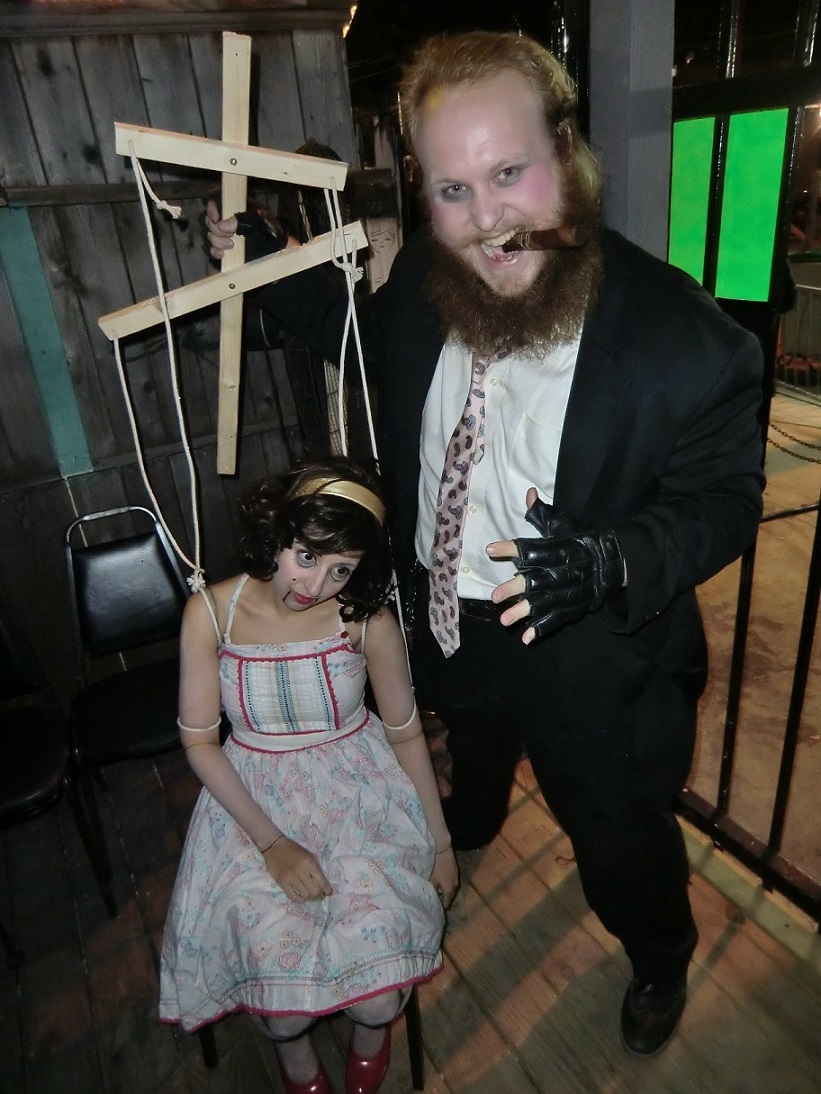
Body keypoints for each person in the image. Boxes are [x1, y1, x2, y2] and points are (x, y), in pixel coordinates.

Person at [205, 31, 765, 1056]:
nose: (486, 221)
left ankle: (657, 949)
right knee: (467, 748)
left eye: (510, 173)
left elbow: (723, 500)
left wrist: (612, 559)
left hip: (586, 647)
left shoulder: (684, 340)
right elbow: (360, 335)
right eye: (452, 190)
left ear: (567, 152)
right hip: (444, 615)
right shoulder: (431, 272)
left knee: (612, 831)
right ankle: (473, 816)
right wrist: (265, 259)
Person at [159, 456, 458, 1094]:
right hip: (251, 806)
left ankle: (370, 1046)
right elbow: (201, 744)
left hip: (362, 795)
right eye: (307, 555)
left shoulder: (365, 618)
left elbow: (406, 733)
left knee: (376, 998)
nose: (317, 584)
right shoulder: (209, 613)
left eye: (341, 568)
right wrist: (273, 845)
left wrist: (441, 844)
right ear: (277, 532)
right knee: (284, 1007)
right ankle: (298, 1066)